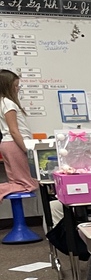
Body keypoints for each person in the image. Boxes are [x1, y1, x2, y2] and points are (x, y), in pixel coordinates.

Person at [0, 69, 40, 199]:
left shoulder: (2, 102)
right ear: (7, 87)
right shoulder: (8, 103)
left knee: (16, 182)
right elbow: (14, 130)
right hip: (14, 144)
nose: (17, 89)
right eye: (16, 86)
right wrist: (26, 150)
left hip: (7, 144)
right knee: (29, 184)